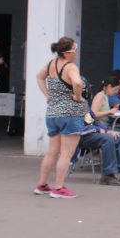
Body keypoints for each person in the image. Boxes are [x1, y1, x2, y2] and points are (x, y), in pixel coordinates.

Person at [33, 36, 88, 199]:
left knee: (52, 152)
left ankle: (42, 184)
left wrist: (47, 95)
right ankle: (58, 187)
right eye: (75, 49)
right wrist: (78, 98)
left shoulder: (51, 64)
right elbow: (77, 83)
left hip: (52, 113)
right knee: (66, 154)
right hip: (70, 114)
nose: (77, 52)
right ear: (67, 53)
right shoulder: (70, 67)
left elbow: (39, 76)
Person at [81, 75, 120, 185]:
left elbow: (91, 119)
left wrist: (105, 130)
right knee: (108, 139)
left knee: (118, 137)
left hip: (94, 129)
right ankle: (108, 174)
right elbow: (85, 122)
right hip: (84, 133)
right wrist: (101, 130)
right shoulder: (78, 104)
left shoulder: (82, 103)